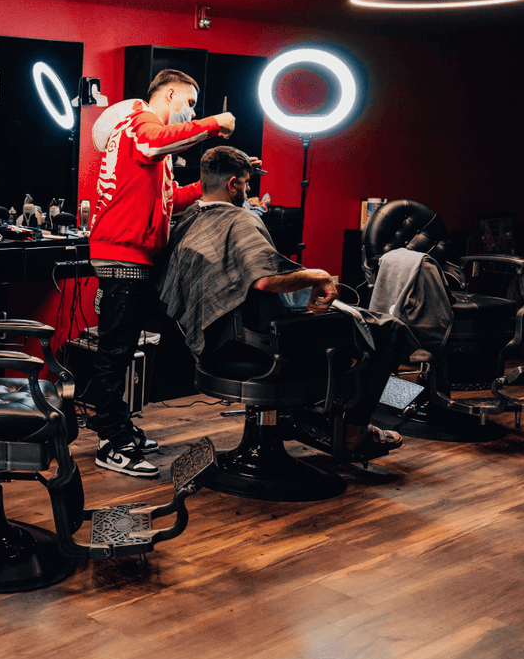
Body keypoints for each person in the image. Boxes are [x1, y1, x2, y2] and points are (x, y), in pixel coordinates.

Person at [158, 145, 410, 450]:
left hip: (216, 343)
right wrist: (318, 275)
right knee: (389, 329)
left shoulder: (189, 219)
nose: (248, 189)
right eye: (246, 183)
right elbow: (265, 280)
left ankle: (304, 418)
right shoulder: (238, 222)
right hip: (259, 346)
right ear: (232, 185)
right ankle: (354, 430)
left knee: (337, 323)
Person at [85, 69, 236, 478]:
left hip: (129, 255)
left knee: (123, 347)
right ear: (171, 94)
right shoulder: (140, 123)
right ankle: (109, 442)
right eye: (188, 103)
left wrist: (217, 185)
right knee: (115, 353)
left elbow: (170, 199)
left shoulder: (143, 141)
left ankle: (117, 427)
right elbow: (155, 142)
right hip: (123, 257)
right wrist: (211, 126)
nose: (190, 111)